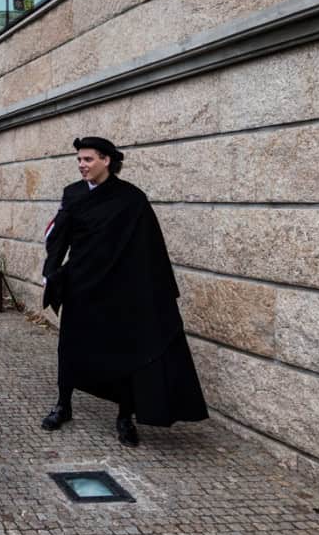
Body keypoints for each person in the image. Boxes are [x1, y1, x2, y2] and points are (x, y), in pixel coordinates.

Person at [40, 137, 208, 446]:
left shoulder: (131, 199)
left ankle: (124, 417)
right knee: (71, 348)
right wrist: (51, 273)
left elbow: (149, 248)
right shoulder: (73, 194)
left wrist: (151, 292)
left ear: (106, 160)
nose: (82, 165)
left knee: (123, 354)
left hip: (117, 291)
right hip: (81, 285)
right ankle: (63, 405)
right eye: (79, 160)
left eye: (88, 159)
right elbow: (59, 238)